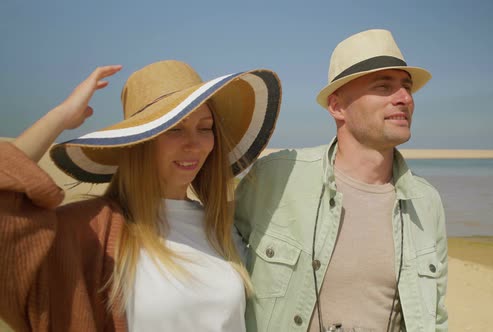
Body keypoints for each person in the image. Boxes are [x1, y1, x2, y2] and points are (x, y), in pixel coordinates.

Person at [0, 60, 281, 331]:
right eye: (174, 128)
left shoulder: (223, 227)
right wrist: (60, 116)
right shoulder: (88, 231)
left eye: (205, 128)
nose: (194, 144)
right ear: (139, 143)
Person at [235, 29, 448, 331]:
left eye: (406, 87)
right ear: (337, 107)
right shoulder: (278, 176)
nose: (404, 98)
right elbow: (213, 253)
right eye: (384, 86)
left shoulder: (426, 203)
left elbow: (437, 317)